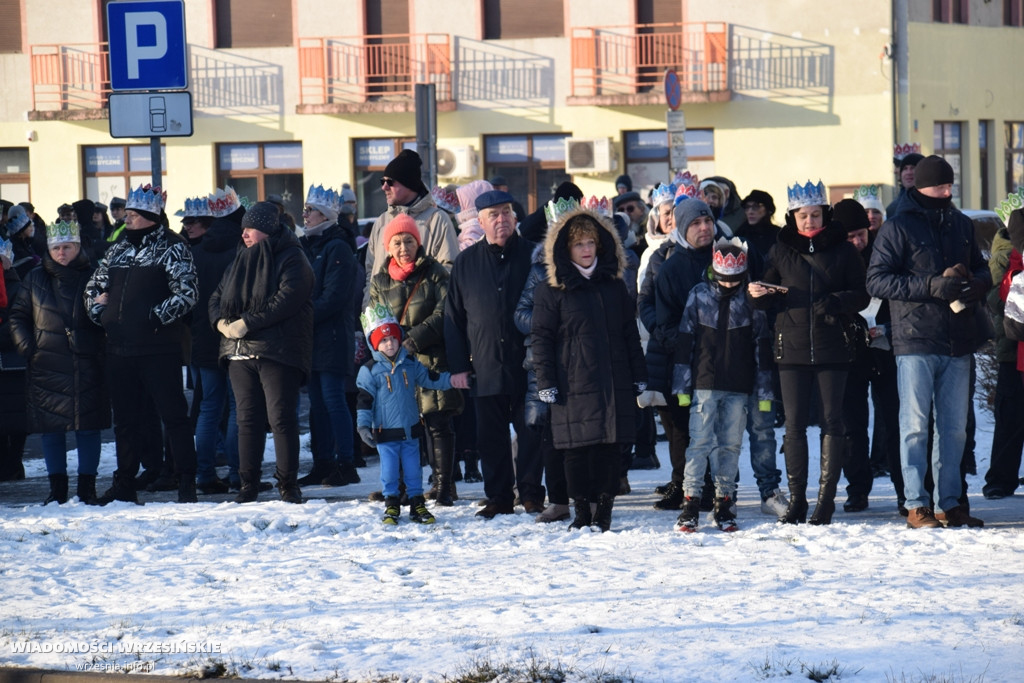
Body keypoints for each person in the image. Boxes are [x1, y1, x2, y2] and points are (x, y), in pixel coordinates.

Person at [867, 156, 989, 529]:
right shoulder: (897, 227)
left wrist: (977, 284)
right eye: (940, 186)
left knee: (954, 428)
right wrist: (931, 285)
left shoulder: (961, 224)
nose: (947, 192)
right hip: (915, 339)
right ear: (921, 187)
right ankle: (916, 503)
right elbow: (877, 280)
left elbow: (982, 267)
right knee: (915, 425)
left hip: (958, 339)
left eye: (950, 186)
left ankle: (949, 503)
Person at [749, 180, 868, 526]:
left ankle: (826, 501)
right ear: (792, 217)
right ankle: (798, 499)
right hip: (792, 347)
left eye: (815, 214)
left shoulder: (844, 251)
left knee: (832, 422)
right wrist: (758, 294)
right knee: (794, 425)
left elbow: (862, 294)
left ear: (825, 215)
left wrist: (836, 302)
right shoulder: (780, 250)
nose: (810, 221)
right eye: (803, 215)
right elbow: (764, 295)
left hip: (833, 346)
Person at [530, 204, 646, 531]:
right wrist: (546, 382)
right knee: (575, 450)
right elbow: (541, 338)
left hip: (613, 379)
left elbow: (629, 333)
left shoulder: (614, 285)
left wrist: (639, 375)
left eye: (591, 242)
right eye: (578, 244)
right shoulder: (551, 290)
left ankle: (604, 511)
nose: (586, 249)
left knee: (610, 448)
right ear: (565, 248)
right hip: (572, 382)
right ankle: (581, 511)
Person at [84, 184, 199, 505]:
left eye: (133, 215)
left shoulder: (172, 247)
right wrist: (100, 313)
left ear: (150, 216)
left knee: (174, 416)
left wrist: (153, 317)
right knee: (125, 421)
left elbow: (187, 293)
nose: (127, 219)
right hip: (119, 349)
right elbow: (94, 286)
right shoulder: (118, 249)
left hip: (158, 349)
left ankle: (186, 480)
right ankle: (124, 483)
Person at [209, 202, 314, 503]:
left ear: (267, 229)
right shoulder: (239, 258)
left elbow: (287, 299)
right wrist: (220, 323)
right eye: (242, 228)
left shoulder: (292, 257)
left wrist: (247, 322)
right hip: (238, 352)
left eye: (250, 228)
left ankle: (288, 485)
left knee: (281, 418)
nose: (244, 234)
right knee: (247, 420)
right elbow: (216, 297)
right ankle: (248, 485)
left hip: (278, 350)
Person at [445, 189, 539, 518]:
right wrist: (458, 366)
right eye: (494, 215)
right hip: (485, 364)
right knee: (490, 436)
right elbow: (453, 318)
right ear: (481, 222)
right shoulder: (466, 263)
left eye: (506, 213)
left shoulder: (533, 256)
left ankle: (531, 493)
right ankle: (498, 497)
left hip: (528, 363)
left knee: (531, 432)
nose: (502, 220)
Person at [672, 237, 772, 532]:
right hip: (704, 385)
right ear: (714, 272)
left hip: (739, 387)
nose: (729, 284)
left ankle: (724, 502)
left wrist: (764, 393)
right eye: (724, 278)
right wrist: (681, 387)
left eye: (735, 279)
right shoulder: (698, 295)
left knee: (730, 446)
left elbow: (762, 347)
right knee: (699, 444)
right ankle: (690, 503)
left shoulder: (751, 300)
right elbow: (685, 342)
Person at [9, 219, 110, 504]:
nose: (61, 253)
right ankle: (57, 490)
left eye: (67, 247)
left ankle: (87, 488)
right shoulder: (34, 278)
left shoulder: (94, 276)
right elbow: (18, 316)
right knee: (51, 429)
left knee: (88, 427)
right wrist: (28, 347)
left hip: (86, 362)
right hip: (46, 363)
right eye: (56, 248)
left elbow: (109, 316)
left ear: (78, 247)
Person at [368, 213, 463, 505]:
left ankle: (444, 486)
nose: (403, 248)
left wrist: (413, 339)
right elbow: (376, 320)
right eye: (397, 242)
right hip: (396, 364)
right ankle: (401, 487)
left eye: (409, 241)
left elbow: (445, 311)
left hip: (432, 358)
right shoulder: (380, 280)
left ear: (418, 243)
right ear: (388, 247)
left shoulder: (435, 273)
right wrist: (390, 345)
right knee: (398, 427)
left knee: (437, 423)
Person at [643, 195, 722, 511]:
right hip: (680, 361)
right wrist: (693, 347)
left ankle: (711, 486)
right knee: (680, 427)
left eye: (707, 221)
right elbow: (664, 321)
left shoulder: (726, 258)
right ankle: (685, 485)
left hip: (720, 361)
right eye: (696, 223)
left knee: (713, 427)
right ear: (683, 228)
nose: (704, 228)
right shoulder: (670, 267)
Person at [356, 304, 466, 524]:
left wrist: (452, 380)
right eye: (384, 340)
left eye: (393, 339)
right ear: (375, 344)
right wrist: (363, 426)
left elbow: (430, 379)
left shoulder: (410, 363)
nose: (390, 344)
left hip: (411, 431)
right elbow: (364, 402)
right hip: (385, 433)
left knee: (414, 470)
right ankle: (392, 504)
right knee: (389, 472)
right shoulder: (370, 370)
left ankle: (417, 504)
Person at [295, 185, 359, 489]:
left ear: (326, 215)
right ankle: (322, 463)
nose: (305, 214)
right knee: (317, 404)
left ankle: (346, 463)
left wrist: (301, 317)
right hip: (311, 337)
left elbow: (334, 297)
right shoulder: (307, 245)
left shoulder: (337, 247)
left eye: (311, 210)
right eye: (305, 209)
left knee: (334, 400)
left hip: (332, 336)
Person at [363, 150, 459, 307]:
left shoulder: (437, 220)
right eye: (382, 181)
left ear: (408, 184)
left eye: (390, 182)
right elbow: (370, 272)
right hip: (381, 318)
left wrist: (424, 309)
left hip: (421, 318)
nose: (384, 187)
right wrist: (368, 309)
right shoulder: (381, 222)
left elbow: (448, 271)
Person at [983, 206, 1024, 499]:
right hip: (1013, 349)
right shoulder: (1007, 257)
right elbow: (996, 299)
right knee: (1010, 414)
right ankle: (999, 478)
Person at [5, 205, 40, 279]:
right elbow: (13, 267)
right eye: (29, 226)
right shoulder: (12, 246)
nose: (31, 228)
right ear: (22, 230)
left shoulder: (27, 242)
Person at [886, 150, 924, 217]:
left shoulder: (933, 202)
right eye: (905, 168)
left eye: (913, 168)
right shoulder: (893, 208)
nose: (908, 172)